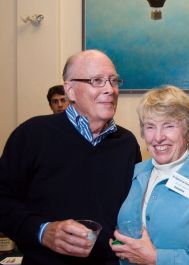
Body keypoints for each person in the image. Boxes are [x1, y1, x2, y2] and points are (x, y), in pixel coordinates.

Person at [0, 50, 142, 265]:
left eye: (114, 81)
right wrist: (42, 230)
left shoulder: (127, 142)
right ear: (71, 90)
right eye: (97, 80)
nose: (110, 89)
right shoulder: (32, 134)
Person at [110, 85, 189, 265]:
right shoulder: (136, 173)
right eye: (150, 127)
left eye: (169, 126)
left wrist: (157, 259)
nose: (158, 137)